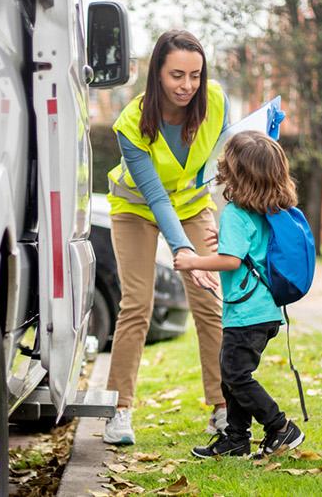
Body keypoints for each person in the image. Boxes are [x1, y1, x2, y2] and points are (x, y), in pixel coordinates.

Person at [103, 30, 231, 445]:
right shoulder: (131, 123)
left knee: (211, 302)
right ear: (157, 72)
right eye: (177, 75)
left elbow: (228, 158)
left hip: (193, 205)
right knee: (137, 305)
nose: (187, 86)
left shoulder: (215, 100)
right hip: (137, 209)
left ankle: (223, 408)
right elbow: (156, 196)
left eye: (195, 75)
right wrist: (184, 251)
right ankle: (119, 410)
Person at [175, 132, 305, 459]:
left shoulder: (236, 212)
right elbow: (250, 249)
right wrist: (225, 238)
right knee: (231, 373)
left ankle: (279, 426)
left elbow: (230, 261)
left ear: (235, 171)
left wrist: (192, 261)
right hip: (263, 311)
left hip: (248, 313)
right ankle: (236, 439)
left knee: (234, 375)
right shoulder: (266, 209)